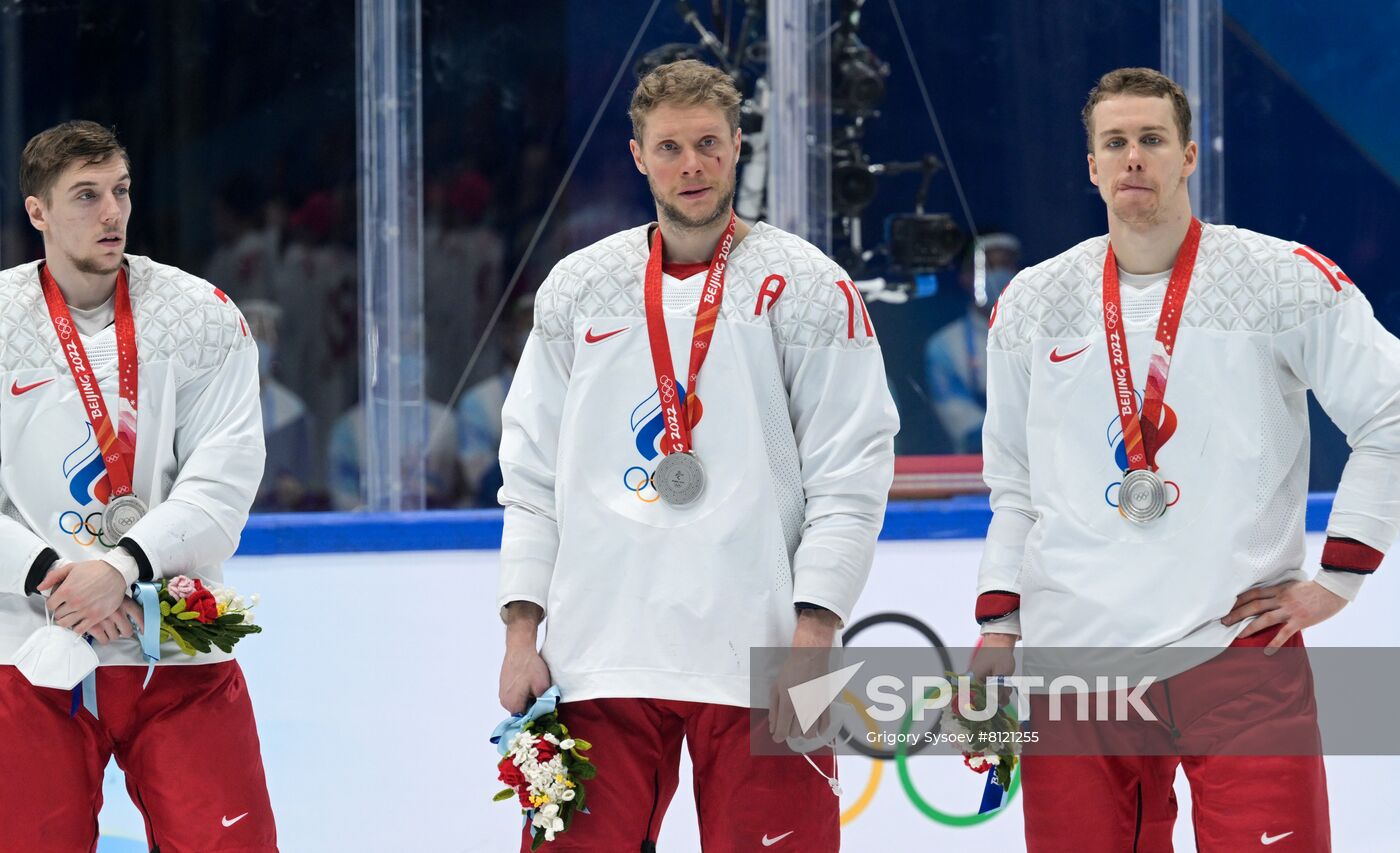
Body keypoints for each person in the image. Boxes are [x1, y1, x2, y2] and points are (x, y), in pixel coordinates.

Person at [975, 68, 1400, 851]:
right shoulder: (1032, 303)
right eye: (1115, 142)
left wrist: (1341, 576)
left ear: (1190, 155)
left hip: (1237, 651)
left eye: (1151, 140)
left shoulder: (1280, 281)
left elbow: (1392, 408)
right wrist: (999, 632)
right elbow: (1014, 486)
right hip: (1076, 662)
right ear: (1091, 165)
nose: (1133, 157)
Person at [495, 60, 898, 851]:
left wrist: (814, 635)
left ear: (737, 147)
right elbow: (531, 474)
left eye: (708, 144)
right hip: (596, 656)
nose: (692, 166)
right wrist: (519, 630)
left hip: (764, 655)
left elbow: (851, 474)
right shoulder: (578, 288)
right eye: (671, 147)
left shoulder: (810, 285)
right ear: (639, 153)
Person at [0, 121, 276, 851]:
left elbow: (223, 479)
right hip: (27, 644)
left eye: (119, 191)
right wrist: (59, 577)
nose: (112, 213)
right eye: (85, 196)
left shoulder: (201, 318)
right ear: (38, 213)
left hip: (175, 640)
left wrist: (120, 568)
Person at [923, 231, 1022, 452]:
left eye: (1006, 265)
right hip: (975, 470)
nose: (999, 275)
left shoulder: (1043, 336)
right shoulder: (943, 346)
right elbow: (964, 428)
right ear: (966, 277)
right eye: (988, 267)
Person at [244, 299, 319, 511]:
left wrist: (294, 490)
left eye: (266, 337)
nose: (259, 343)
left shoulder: (294, 411)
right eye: (253, 335)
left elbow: (307, 479)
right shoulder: (214, 403)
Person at [456, 293, 532, 506]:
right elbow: (479, 480)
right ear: (508, 337)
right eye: (527, 326)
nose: (535, 335)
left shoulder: (573, 393)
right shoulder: (478, 402)